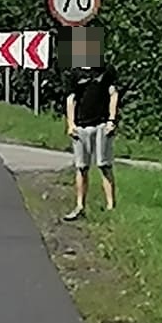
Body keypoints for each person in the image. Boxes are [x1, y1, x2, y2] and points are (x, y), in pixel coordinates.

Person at [64, 63, 118, 220]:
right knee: (81, 168)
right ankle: (80, 206)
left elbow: (113, 94)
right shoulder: (75, 73)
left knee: (104, 165)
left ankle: (110, 207)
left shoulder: (105, 70)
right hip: (81, 126)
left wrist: (111, 120)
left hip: (102, 124)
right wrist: (71, 124)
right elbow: (71, 99)